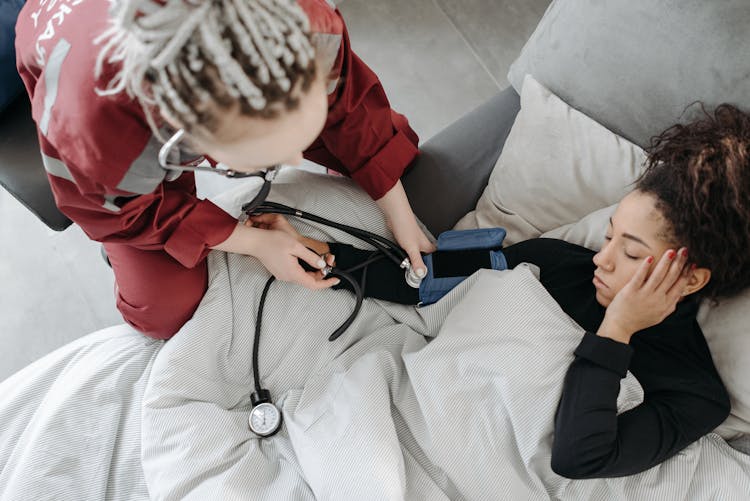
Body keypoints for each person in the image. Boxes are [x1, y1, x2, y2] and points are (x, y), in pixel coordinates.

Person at [252, 103, 750, 478]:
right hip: (393, 432)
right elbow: (427, 281)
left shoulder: (695, 392)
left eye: (633, 252)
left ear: (691, 278)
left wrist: (618, 329)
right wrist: (313, 249)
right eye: (610, 234)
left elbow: (580, 456)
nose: (602, 257)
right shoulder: (556, 263)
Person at [15, 0, 435, 340]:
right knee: (163, 312)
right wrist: (251, 242)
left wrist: (394, 202)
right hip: (73, 59)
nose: (294, 163)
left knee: (396, 153)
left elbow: (348, 98)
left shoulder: (302, 22)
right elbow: (121, 213)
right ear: (189, 141)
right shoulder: (98, 132)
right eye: (267, 158)